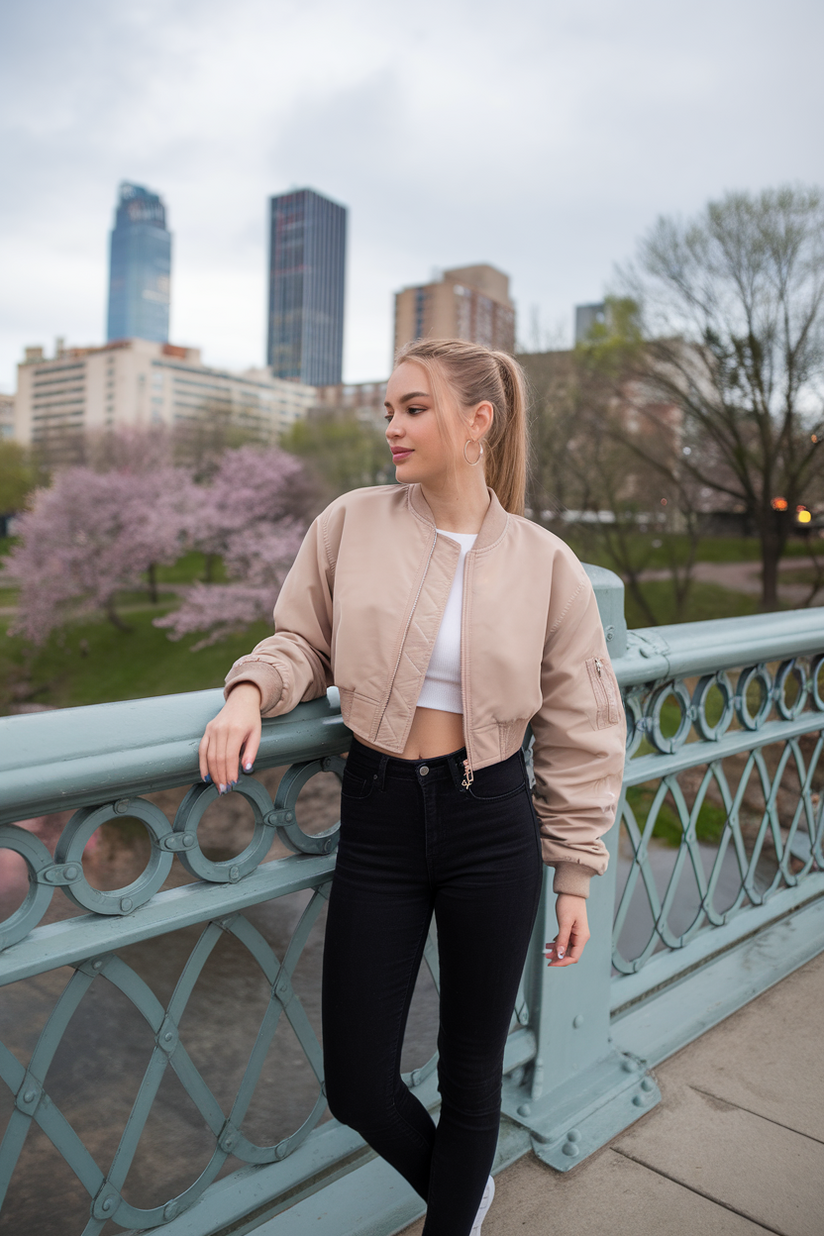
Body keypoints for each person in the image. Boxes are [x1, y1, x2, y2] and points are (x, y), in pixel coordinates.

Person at [198, 338, 626, 1236]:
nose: (392, 425)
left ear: (479, 422)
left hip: (494, 824)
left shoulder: (547, 563)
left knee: (472, 1071)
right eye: (388, 409)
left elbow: (584, 727)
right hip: (381, 817)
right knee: (358, 1081)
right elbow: (302, 643)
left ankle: (453, 1216)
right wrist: (247, 691)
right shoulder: (351, 521)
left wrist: (576, 874)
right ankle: (465, 1192)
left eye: (414, 408)